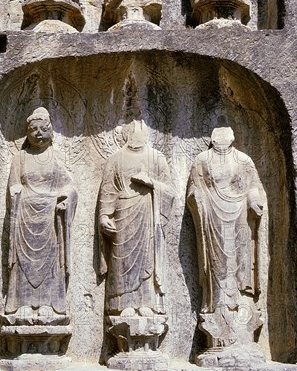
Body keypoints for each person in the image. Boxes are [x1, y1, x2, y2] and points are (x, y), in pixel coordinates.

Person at [5, 107, 77, 322]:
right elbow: (14, 184)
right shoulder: (20, 158)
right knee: (23, 262)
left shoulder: (55, 159)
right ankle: (22, 304)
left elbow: (70, 186)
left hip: (50, 218)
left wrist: (65, 197)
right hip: (25, 216)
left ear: (51, 131)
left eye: (43, 129)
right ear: (27, 133)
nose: (38, 133)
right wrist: (16, 191)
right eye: (33, 129)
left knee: (50, 263)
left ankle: (48, 303)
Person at [187, 127, 266, 321]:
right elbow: (193, 189)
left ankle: (243, 300)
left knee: (242, 257)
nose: (221, 142)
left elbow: (253, 186)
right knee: (218, 259)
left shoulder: (243, 160)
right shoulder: (202, 160)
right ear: (212, 140)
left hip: (240, 213)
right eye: (217, 139)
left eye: (225, 139)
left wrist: (254, 201)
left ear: (232, 139)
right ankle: (217, 300)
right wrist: (198, 198)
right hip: (213, 213)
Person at [99, 120, 174, 317]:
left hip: (148, 213)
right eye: (131, 130)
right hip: (123, 213)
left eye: (141, 129)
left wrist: (150, 182)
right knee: (122, 259)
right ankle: (123, 304)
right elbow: (108, 191)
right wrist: (104, 216)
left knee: (146, 260)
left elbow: (169, 190)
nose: (136, 132)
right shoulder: (115, 159)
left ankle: (147, 303)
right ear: (124, 135)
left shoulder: (156, 158)